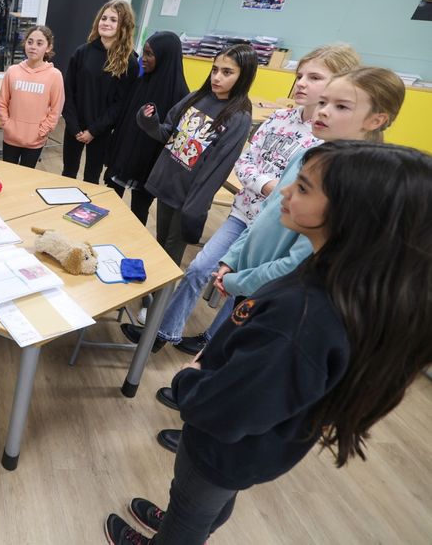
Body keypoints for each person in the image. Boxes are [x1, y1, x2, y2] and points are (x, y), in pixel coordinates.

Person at [104, 140, 432, 545]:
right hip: (255, 449)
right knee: (206, 504)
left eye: (305, 188)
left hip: (223, 447)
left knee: (192, 506)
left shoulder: (303, 318)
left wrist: (188, 381)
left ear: (357, 215)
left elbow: (227, 411)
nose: (285, 191)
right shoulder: (341, 277)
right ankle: (183, 521)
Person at [151, 67, 405, 455]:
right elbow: (266, 213)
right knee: (223, 354)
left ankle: (201, 434)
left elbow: (296, 263)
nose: (322, 111)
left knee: (238, 371)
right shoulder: (308, 153)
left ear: (375, 120)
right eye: (323, 102)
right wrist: (232, 261)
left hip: (271, 292)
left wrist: (238, 281)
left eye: (339, 106)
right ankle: (198, 409)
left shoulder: (352, 188)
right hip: (247, 280)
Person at [121, 44, 361, 354]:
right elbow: (245, 162)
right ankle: (164, 331)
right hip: (244, 214)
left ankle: (212, 341)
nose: (300, 83)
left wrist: (274, 188)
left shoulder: (327, 140)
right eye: (300, 75)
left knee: (244, 289)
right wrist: (268, 185)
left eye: (313, 77)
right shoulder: (280, 118)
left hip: (279, 230)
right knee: (201, 268)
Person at [132, 44, 257, 271]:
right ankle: (151, 293)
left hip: (188, 198)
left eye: (227, 72)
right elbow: (166, 133)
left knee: (171, 252)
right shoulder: (196, 98)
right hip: (167, 185)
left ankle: (159, 303)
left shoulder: (239, 117)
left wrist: (194, 207)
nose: (217, 77)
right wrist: (149, 122)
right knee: (160, 241)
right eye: (215, 69)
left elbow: (217, 170)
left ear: (244, 75)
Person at [104, 31, 189, 224]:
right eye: (144, 52)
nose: (143, 59)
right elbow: (125, 122)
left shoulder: (181, 95)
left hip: (149, 166)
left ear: (165, 57)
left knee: (138, 212)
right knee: (109, 202)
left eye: (150, 54)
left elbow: (172, 137)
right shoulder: (141, 82)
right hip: (124, 156)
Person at [61, 0, 138, 183]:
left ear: (123, 26)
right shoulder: (82, 52)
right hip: (75, 127)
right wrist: (73, 126)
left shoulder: (129, 62)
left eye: (113, 20)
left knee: (92, 178)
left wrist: (94, 131)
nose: (106, 23)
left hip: (101, 131)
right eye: (104, 18)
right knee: (68, 173)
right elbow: (68, 91)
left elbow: (120, 104)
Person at [0, 25, 64, 168]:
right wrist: (7, 126)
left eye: (39, 43)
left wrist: (42, 131)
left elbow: (56, 109)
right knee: (8, 175)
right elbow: (2, 102)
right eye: (30, 42)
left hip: (35, 140)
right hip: (11, 137)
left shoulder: (55, 75)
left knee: (26, 178)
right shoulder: (12, 71)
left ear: (48, 47)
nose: (33, 47)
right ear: (25, 43)